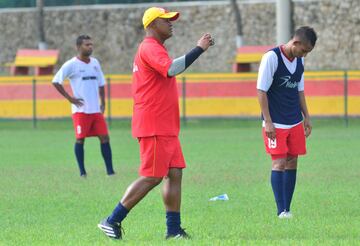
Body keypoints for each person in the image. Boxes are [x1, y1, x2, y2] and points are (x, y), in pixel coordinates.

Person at [97, 7, 214, 240]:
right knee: (152, 175)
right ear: (152, 24)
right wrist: (199, 48)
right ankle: (112, 220)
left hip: (165, 126)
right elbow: (172, 69)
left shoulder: (156, 48)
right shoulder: (149, 47)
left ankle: (173, 230)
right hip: (154, 124)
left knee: (174, 173)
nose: (171, 23)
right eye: (166, 20)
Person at [257, 26, 317, 218]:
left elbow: (299, 91)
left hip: (294, 121)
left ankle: (287, 209)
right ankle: (280, 210)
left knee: (292, 161)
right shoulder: (272, 57)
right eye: (304, 50)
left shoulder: (299, 62)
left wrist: (306, 117)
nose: (305, 55)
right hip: (276, 123)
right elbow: (261, 91)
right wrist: (268, 121)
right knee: (279, 163)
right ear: (295, 42)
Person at [52, 35, 115, 177]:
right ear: (78, 47)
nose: (90, 47)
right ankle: (82, 172)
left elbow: (101, 83)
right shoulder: (71, 65)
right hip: (80, 111)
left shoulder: (95, 63)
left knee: (105, 138)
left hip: (95, 110)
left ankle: (110, 172)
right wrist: (70, 98)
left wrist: (103, 103)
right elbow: (56, 81)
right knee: (80, 139)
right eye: (87, 45)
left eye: (91, 44)